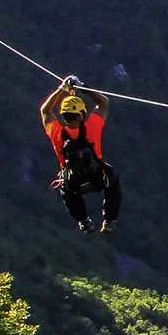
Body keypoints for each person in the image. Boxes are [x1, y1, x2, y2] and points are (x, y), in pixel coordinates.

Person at [40, 76, 120, 234]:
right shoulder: (92, 127)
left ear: (63, 115)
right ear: (82, 114)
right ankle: (109, 221)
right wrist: (82, 86)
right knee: (112, 179)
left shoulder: (57, 133)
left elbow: (45, 111)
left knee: (64, 187)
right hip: (97, 178)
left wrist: (61, 89)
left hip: (74, 184)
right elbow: (104, 102)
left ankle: (83, 221)